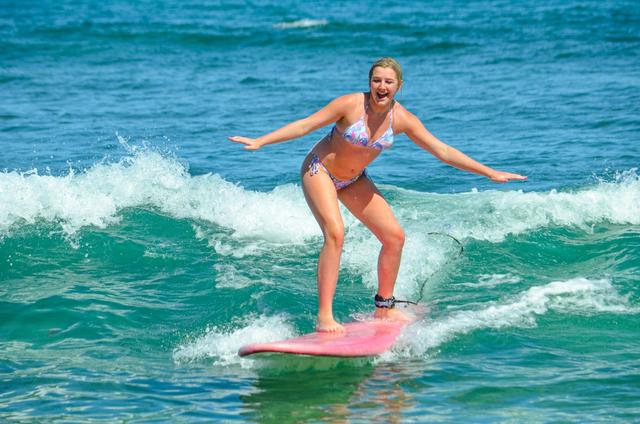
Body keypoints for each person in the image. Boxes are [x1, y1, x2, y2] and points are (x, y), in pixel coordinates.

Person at [229, 57, 527, 333]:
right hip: (319, 170)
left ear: (399, 86)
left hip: (354, 179)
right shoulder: (349, 104)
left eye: (388, 82)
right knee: (336, 233)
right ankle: (324, 317)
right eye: (376, 80)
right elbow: (306, 125)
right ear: (369, 82)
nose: (381, 87)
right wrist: (261, 141)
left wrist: (489, 172)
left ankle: (384, 308)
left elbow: (443, 151)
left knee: (394, 236)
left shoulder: (402, 119)